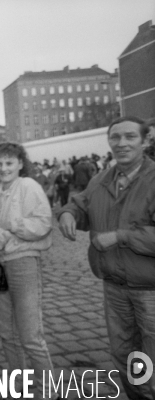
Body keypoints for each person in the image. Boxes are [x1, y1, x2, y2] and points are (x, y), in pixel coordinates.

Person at [58, 116, 155, 399]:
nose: (121, 143)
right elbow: (80, 204)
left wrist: (121, 236)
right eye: (115, 138)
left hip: (150, 289)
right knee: (123, 355)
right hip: (114, 285)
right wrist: (67, 213)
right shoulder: (102, 178)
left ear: (145, 140)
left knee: (150, 360)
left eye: (129, 137)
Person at [0, 142, 57, 398]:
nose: (3, 168)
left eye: (9, 163)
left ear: (20, 163)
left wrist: (11, 226)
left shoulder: (29, 186)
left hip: (23, 263)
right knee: (7, 333)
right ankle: (20, 383)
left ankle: (49, 390)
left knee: (30, 334)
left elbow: (43, 223)